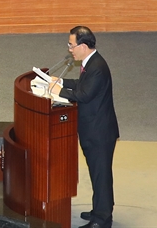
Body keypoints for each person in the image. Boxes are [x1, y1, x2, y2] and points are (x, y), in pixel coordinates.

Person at [51, 26, 119, 228]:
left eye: (71, 45)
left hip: (99, 132)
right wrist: (61, 81)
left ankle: (102, 220)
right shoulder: (91, 63)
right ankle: (99, 210)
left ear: (83, 46)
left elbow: (83, 95)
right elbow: (82, 85)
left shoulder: (97, 67)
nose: (70, 49)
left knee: (101, 176)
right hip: (94, 130)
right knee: (97, 174)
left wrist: (59, 90)